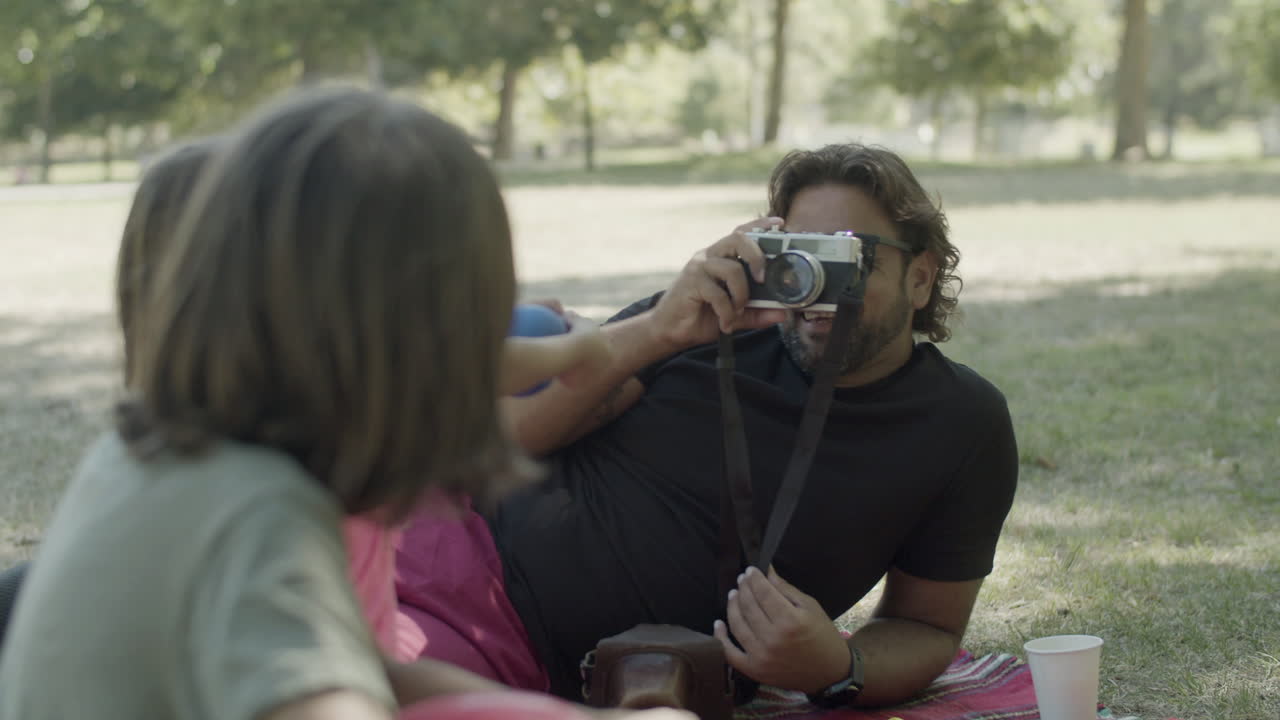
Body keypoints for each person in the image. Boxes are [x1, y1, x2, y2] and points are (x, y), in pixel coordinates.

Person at [0, 86, 681, 720]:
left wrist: (574, 354)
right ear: (395, 353)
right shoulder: (258, 515)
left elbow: (375, 671)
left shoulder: (175, 455)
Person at [396, 143, 1019, 708]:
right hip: (446, 550)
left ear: (919, 276)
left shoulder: (963, 427)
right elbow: (500, 442)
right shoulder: (710, 321)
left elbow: (930, 626)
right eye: (800, 253)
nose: (817, 286)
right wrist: (662, 328)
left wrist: (840, 663)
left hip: (549, 665)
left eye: (846, 256)